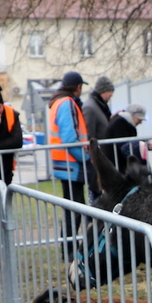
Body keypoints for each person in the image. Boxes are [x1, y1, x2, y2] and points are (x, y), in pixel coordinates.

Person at [48, 72, 89, 225]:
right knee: (75, 211)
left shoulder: (58, 102)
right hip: (72, 164)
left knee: (74, 209)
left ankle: (69, 245)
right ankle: (70, 247)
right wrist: (86, 158)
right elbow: (70, 139)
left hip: (64, 163)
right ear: (78, 87)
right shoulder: (67, 103)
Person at [81, 75, 115, 187]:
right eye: (110, 91)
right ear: (103, 91)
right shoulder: (90, 107)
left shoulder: (100, 106)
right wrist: (93, 156)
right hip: (97, 158)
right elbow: (89, 134)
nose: (111, 94)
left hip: (102, 156)